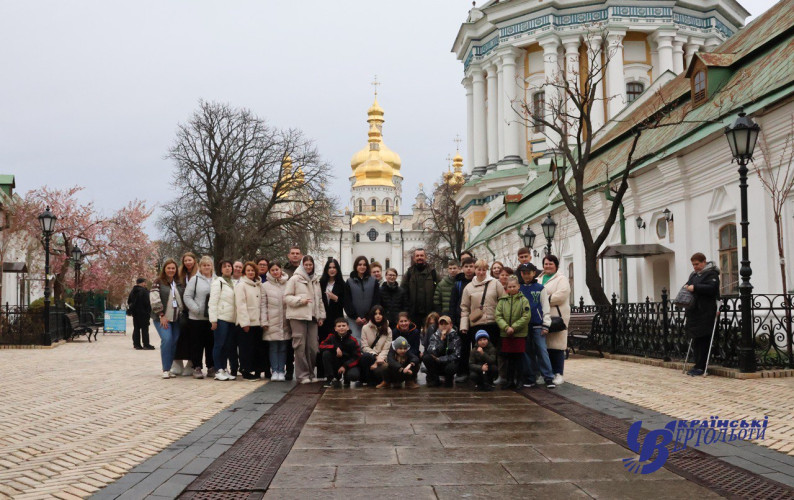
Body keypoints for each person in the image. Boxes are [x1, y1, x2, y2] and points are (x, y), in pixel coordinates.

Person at [459, 259, 506, 383]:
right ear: (475, 270)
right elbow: (464, 307)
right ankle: (479, 375)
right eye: (479, 269)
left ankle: (493, 375)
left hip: (493, 323)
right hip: (477, 324)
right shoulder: (469, 287)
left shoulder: (495, 283)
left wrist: (502, 320)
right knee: (478, 352)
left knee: (493, 350)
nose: (481, 272)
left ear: (487, 270)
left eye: (483, 269)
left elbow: (503, 301)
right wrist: (464, 325)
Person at [285, 255, 325, 384]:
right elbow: (286, 297)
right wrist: (300, 301)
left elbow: (319, 300)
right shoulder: (295, 279)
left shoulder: (316, 281)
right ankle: (302, 375)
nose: (308, 267)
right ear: (302, 265)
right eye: (306, 265)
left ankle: (311, 374)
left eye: (310, 265)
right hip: (298, 317)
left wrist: (321, 316)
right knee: (300, 346)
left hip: (312, 318)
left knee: (313, 347)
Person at [518, 263, 555, 389]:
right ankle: (530, 377)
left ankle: (548, 377)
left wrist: (546, 324)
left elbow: (545, 306)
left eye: (529, 272)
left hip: (538, 324)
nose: (526, 275)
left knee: (542, 350)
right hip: (523, 326)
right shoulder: (519, 288)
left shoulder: (540, 288)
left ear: (534, 273)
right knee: (527, 352)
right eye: (524, 273)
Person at [684, 253, 721, 376]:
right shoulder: (693, 275)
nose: (695, 267)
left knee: (704, 339)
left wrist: (694, 288)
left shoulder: (712, 274)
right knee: (696, 340)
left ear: (704, 262)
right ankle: (696, 364)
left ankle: (701, 366)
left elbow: (711, 288)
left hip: (706, 311)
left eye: (697, 264)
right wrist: (687, 287)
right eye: (693, 264)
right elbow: (688, 285)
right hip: (694, 311)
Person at [539, 255, 571, 385]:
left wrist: (543, 300)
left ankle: (558, 373)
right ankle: (547, 372)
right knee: (545, 346)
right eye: (546, 264)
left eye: (550, 264)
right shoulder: (539, 278)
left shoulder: (561, 279)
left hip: (557, 315)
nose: (548, 266)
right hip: (543, 316)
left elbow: (562, 295)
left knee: (557, 345)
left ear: (556, 265)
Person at [496, 276, 531, 388]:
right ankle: (509, 380)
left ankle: (519, 380)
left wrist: (514, 327)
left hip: (519, 334)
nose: (512, 289)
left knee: (519, 358)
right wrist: (506, 327)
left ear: (518, 286)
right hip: (506, 334)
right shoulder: (502, 301)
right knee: (509, 358)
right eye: (509, 287)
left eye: (514, 286)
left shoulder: (523, 300)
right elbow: (498, 315)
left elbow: (526, 316)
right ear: (506, 287)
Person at [150, 259, 183, 379]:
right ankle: (165, 369)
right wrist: (161, 315)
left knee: (174, 342)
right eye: (168, 268)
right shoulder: (158, 282)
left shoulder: (178, 282)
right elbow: (154, 298)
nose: (171, 270)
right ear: (164, 269)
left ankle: (169, 368)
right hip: (162, 318)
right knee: (167, 339)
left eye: (173, 268)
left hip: (176, 318)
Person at [184, 255, 216, 379]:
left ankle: (211, 367)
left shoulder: (216, 280)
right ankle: (197, 367)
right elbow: (187, 296)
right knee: (197, 344)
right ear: (200, 267)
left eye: (208, 265)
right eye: (204, 265)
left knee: (211, 344)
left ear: (212, 266)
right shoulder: (195, 280)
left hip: (211, 318)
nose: (206, 267)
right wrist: (196, 309)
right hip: (196, 318)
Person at [235, 261, 264, 380]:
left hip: (257, 322)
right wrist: (244, 323)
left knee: (256, 348)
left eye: (252, 270)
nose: (251, 272)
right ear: (244, 272)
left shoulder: (258, 285)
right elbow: (240, 305)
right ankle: (245, 370)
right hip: (246, 323)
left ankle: (256, 369)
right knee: (246, 348)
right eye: (248, 270)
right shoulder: (241, 285)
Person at [262, 262, 290, 381]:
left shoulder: (288, 284)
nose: (275, 272)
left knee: (283, 347)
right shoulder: (265, 286)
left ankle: (281, 371)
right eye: (272, 270)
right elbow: (263, 304)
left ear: (280, 270)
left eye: (277, 269)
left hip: (284, 320)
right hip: (271, 321)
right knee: (273, 347)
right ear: (269, 271)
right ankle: (275, 370)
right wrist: (264, 321)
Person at [208, 260, 237, 381]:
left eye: (229, 266)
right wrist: (213, 320)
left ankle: (224, 368)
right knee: (219, 344)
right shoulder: (218, 282)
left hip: (232, 319)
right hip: (221, 318)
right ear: (221, 269)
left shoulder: (234, 283)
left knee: (227, 345)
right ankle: (218, 369)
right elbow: (213, 302)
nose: (227, 268)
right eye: (225, 267)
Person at [172, 252, 198, 376]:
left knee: (193, 338)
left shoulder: (198, 274)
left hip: (195, 310)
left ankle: (191, 362)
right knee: (179, 335)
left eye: (190, 260)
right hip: (181, 310)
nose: (188, 262)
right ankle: (177, 361)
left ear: (194, 261)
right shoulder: (179, 275)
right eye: (185, 260)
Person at [319, 258, 345, 379]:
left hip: (336, 320)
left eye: (334, 267)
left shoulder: (341, 284)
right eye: (330, 267)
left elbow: (345, 303)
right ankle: (322, 372)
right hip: (323, 319)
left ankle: (336, 373)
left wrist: (336, 298)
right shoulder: (321, 283)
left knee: (336, 345)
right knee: (323, 344)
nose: (332, 270)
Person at [343, 256, 381, 340]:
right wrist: (355, 317)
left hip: (369, 319)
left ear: (367, 266)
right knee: (356, 342)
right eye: (360, 264)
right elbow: (347, 301)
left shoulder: (373, 281)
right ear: (356, 266)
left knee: (369, 341)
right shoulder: (349, 282)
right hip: (354, 320)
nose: (362, 267)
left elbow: (376, 301)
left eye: (364, 265)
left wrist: (368, 317)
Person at [319, 318, 362, 388]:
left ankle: (346, 377)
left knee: (353, 376)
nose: (341, 327)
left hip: (348, 365)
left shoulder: (353, 340)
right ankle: (330, 378)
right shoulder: (331, 337)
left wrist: (345, 366)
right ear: (335, 328)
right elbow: (321, 346)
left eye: (343, 325)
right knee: (326, 353)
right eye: (339, 326)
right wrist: (334, 348)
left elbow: (357, 357)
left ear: (348, 327)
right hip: (335, 363)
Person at [400, 248, 438, 327]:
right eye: (417, 256)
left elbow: (439, 290)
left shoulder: (433, 273)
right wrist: (407, 309)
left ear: (425, 257)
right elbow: (403, 292)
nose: (419, 257)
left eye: (421, 255)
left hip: (429, 313)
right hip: (413, 313)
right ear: (414, 258)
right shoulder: (409, 273)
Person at [282, 246, 303, 381]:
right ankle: (289, 369)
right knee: (288, 341)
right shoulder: (284, 272)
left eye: (297, 253)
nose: (295, 256)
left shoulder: (304, 271)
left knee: (301, 342)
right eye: (293, 253)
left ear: (301, 256)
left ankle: (302, 370)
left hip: (301, 309)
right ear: (288, 256)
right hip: (287, 309)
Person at [423, 315, 461, 388]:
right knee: (427, 358)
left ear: (451, 325)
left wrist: (441, 359)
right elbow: (431, 351)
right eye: (441, 324)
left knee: (452, 366)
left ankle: (449, 380)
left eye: (446, 324)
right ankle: (434, 380)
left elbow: (456, 355)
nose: (443, 326)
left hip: (448, 363)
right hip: (437, 363)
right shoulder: (435, 336)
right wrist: (441, 340)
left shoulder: (456, 337)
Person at [359, 305, 392, 386]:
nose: (378, 316)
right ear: (372, 315)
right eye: (375, 314)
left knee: (380, 371)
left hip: (383, 358)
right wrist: (376, 356)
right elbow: (364, 346)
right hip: (370, 356)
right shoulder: (365, 328)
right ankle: (367, 380)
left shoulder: (388, 330)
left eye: (380, 314)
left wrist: (379, 360)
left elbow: (386, 348)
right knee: (366, 356)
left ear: (383, 315)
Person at [228, 260, 245, 376]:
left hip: (242, 318)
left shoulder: (245, 281)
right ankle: (233, 367)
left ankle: (243, 367)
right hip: (230, 317)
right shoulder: (226, 281)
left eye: (240, 267)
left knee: (243, 345)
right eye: (236, 267)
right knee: (231, 345)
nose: (238, 269)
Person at [449, 257, 476, 329]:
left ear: (475, 268)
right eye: (466, 266)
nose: (469, 269)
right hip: (461, 318)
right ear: (462, 268)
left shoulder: (479, 282)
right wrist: (453, 321)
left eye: (471, 266)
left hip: (477, 318)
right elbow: (453, 303)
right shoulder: (458, 284)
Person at [127, 277, 153, 350]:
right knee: (145, 329)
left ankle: (137, 344)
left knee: (136, 329)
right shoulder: (144, 291)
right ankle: (146, 344)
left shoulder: (132, 291)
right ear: (141, 283)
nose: (145, 284)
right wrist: (148, 311)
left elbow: (129, 301)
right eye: (145, 282)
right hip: (144, 313)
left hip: (135, 313)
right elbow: (147, 302)